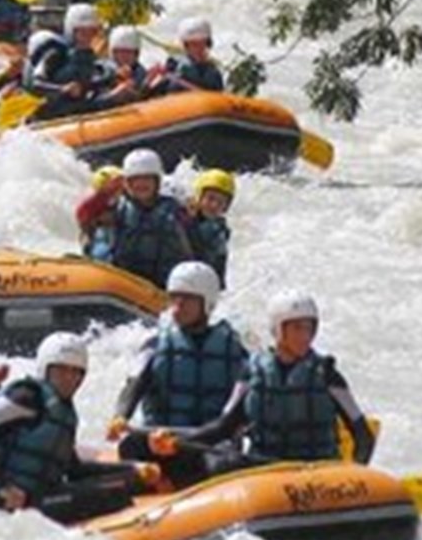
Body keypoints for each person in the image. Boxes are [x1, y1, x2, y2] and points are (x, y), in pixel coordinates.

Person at [0, 332, 158, 523]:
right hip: (0, 501)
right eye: (61, 370)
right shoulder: (27, 397)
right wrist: (3, 487)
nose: (69, 378)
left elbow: (74, 470)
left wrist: (132, 469)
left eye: (76, 372)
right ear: (45, 369)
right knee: (112, 495)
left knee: (126, 483)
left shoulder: (66, 415)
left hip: (39, 497)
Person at [171, 290, 376, 471]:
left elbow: (363, 435)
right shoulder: (252, 374)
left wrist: (355, 474)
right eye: (297, 328)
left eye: (309, 328)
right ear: (278, 330)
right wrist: (177, 442)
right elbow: (223, 428)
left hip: (316, 474)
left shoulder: (327, 374)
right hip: (266, 470)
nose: (305, 336)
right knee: (219, 463)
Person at [106, 261, 249, 486]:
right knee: (130, 446)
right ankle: (156, 485)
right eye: (174, 298)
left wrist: (204, 436)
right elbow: (135, 383)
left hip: (206, 442)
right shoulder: (155, 345)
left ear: (207, 303)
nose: (178, 306)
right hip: (160, 440)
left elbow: (236, 409)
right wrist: (121, 415)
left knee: (225, 462)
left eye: (187, 299)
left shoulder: (233, 350)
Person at [91, 148, 192, 290]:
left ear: (157, 182)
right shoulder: (117, 209)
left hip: (161, 283)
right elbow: (102, 243)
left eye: (147, 179)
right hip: (123, 279)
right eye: (135, 180)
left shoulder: (171, 209)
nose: (141, 184)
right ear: (127, 183)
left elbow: (185, 247)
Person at [26, 4, 115, 121]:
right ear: (72, 31)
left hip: (76, 110)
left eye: (92, 31)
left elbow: (91, 83)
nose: (88, 37)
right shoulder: (55, 52)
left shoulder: (90, 58)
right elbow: (36, 84)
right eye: (82, 32)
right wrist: (62, 89)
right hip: (49, 114)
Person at [150, 17, 226, 94]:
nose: (199, 48)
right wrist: (150, 79)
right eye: (194, 44)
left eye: (202, 43)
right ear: (186, 46)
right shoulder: (173, 67)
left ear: (208, 44)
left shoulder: (214, 73)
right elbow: (150, 93)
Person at [184, 169, 234, 284]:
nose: (214, 205)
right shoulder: (184, 216)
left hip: (199, 280)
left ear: (226, 207)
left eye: (221, 202)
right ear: (199, 197)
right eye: (210, 198)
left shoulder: (218, 232)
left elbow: (218, 267)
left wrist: (190, 221)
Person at [75, 165, 123, 261]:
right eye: (114, 183)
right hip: (95, 230)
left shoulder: (121, 198)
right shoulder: (93, 200)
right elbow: (82, 216)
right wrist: (97, 221)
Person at [97, 26, 150, 106]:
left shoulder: (141, 73)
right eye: (121, 52)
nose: (125, 56)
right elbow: (92, 101)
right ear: (113, 53)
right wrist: (112, 95)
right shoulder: (101, 70)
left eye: (129, 52)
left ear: (136, 54)